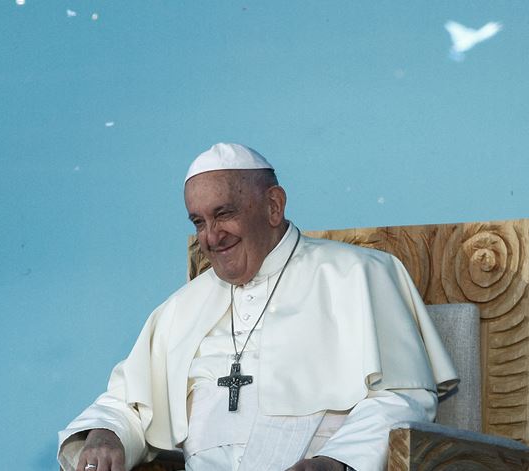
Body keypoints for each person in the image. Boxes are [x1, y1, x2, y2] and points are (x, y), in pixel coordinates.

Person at [58, 143, 458, 471]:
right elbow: (129, 404)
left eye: (224, 214)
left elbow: (404, 396)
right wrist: (105, 435)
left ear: (273, 206)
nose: (211, 237)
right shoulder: (181, 307)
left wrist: (334, 462)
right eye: (198, 222)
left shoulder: (357, 274)